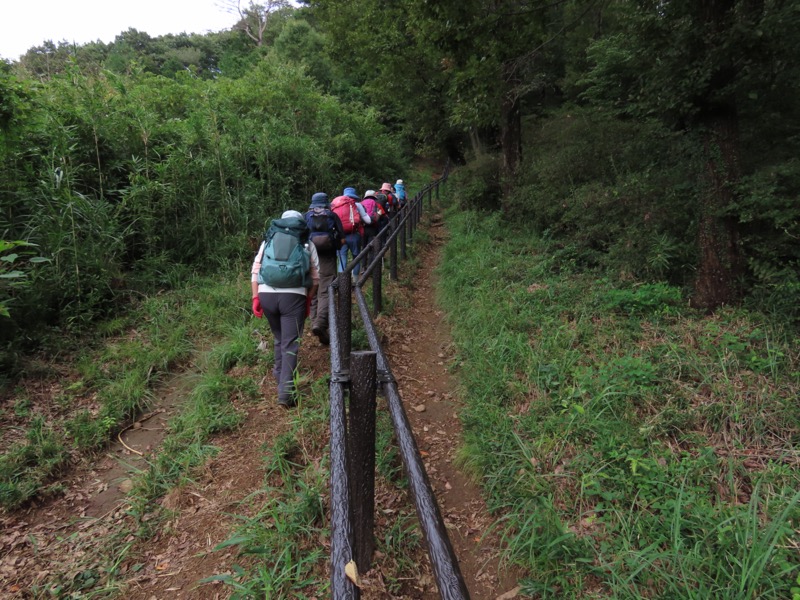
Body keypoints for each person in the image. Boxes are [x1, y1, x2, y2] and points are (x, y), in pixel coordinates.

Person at [251, 210, 319, 408]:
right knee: (290, 343)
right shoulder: (306, 241)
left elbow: (255, 270)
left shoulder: (269, 239)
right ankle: (286, 394)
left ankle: (279, 376)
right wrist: (308, 298)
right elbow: (316, 277)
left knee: (279, 338)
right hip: (294, 296)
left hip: (266, 295)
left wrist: (256, 296)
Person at [304, 192, 345, 346]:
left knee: (313, 290)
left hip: (310, 257)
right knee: (325, 289)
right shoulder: (332, 215)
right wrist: (337, 246)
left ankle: (314, 321)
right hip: (327, 256)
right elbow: (342, 238)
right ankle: (321, 323)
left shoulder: (306, 216)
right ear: (327, 202)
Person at [331, 187, 371, 278]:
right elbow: (367, 220)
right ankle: (355, 281)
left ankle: (342, 283)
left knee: (342, 258)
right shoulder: (357, 205)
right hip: (354, 235)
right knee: (356, 258)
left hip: (341, 237)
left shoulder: (336, 205)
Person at [361, 190, 386, 261]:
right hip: (373, 228)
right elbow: (383, 216)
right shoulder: (377, 204)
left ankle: (363, 266)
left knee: (363, 247)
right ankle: (371, 265)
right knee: (371, 247)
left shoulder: (360, 204)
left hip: (363, 228)